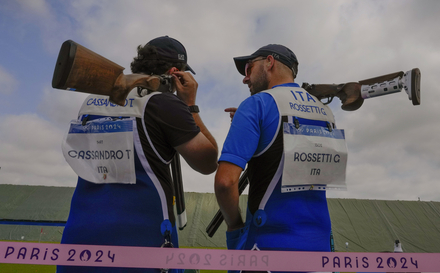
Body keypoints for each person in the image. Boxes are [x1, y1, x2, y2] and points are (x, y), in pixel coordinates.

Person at [58, 36, 219, 272]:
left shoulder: (90, 103)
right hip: (142, 242)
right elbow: (207, 161)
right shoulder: (163, 104)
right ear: (175, 72)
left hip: (78, 242)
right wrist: (190, 105)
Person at [214, 44, 347, 266]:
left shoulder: (256, 105)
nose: (245, 79)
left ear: (269, 62)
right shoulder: (326, 113)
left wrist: (235, 225)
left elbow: (225, 182)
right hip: (320, 252)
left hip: (268, 249)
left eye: (248, 69)